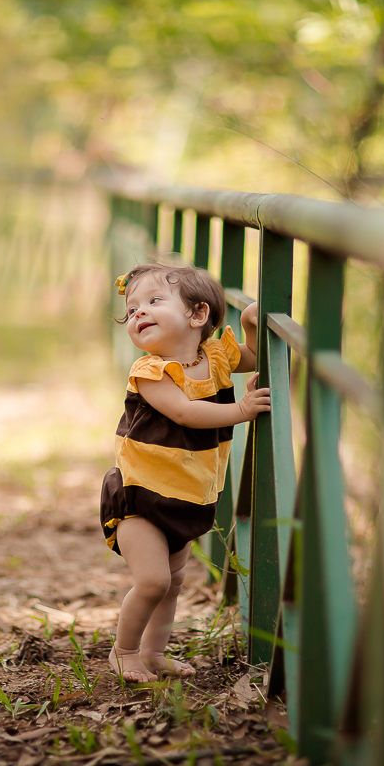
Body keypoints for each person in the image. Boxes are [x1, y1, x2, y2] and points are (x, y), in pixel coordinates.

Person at [100, 261, 270, 683]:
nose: (138, 312)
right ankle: (123, 652)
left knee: (173, 583)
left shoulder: (214, 358)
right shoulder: (150, 371)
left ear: (198, 316)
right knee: (154, 581)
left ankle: (154, 652)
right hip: (142, 496)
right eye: (132, 308)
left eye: (153, 301)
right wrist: (242, 410)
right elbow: (186, 411)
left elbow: (248, 357)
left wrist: (251, 326)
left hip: (187, 496)